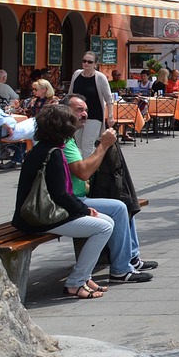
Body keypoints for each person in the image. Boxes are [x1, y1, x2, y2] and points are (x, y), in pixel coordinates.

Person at [11, 104, 114, 300]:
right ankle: (75, 282)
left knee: (107, 221)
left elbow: (60, 193)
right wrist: (83, 210)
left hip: (40, 212)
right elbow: (60, 194)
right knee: (103, 227)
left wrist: (83, 209)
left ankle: (84, 276)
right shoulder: (54, 154)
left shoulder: (43, 148)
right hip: (40, 216)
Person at [61, 96, 154, 283]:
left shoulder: (67, 138)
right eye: (78, 110)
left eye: (85, 109)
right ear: (64, 111)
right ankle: (120, 268)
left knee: (124, 200)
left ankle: (131, 258)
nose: (84, 114)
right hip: (67, 203)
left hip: (74, 197)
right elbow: (83, 172)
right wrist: (103, 145)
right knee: (119, 207)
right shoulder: (63, 141)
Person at [69, 51, 113, 157]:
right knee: (78, 144)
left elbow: (108, 98)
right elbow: (70, 94)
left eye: (89, 62)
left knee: (87, 145)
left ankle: (87, 171)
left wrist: (110, 115)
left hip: (94, 115)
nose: (86, 64)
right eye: (84, 61)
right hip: (77, 116)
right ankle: (83, 167)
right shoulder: (76, 74)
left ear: (95, 64)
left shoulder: (100, 77)